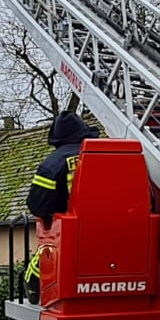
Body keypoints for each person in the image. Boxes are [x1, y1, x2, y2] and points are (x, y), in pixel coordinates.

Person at [23, 111, 99, 302]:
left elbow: (37, 205)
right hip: (118, 227)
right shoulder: (106, 152)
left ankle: (35, 287)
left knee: (46, 252)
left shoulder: (52, 164)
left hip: (72, 235)